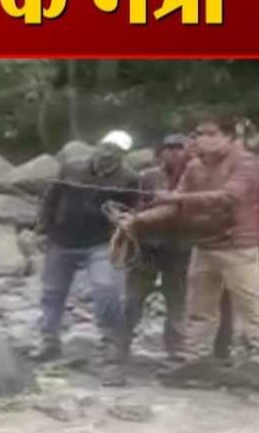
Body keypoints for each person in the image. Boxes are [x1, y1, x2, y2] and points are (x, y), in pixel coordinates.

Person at [124, 114, 259, 378]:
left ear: (229, 136)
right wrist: (136, 220)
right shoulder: (195, 166)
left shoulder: (247, 163)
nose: (204, 140)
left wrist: (179, 196)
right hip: (204, 246)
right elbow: (174, 206)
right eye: (199, 134)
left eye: (212, 134)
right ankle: (196, 364)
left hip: (240, 247)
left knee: (253, 310)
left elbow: (229, 197)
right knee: (199, 311)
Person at [33, 130, 142, 362]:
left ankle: (109, 341)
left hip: (100, 242)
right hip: (61, 238)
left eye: (116, 150)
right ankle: (48, 340)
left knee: (106, 289)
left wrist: (122, 224)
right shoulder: (71, 167)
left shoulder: (129, 178)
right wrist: (42, 230)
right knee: (52, 292)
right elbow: (50, 199)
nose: (108, 153)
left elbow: (132, 212)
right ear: (97, 145)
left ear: (124, 154)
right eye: (106, 146)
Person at [119, 135, 194, 360]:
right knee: (132, 301)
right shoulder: (146, 177)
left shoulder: (197, 177)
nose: (172, 153)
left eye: (178, 148)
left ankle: (176, 352)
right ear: (159, 152)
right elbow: (130, 208)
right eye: (167, 148)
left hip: (181, 249)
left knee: (178, 304)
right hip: (146, 249)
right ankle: (119, 349)